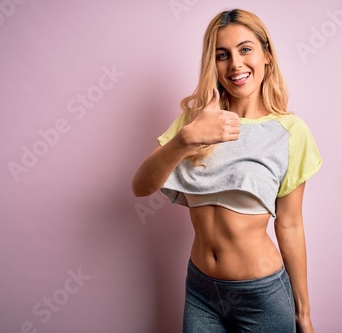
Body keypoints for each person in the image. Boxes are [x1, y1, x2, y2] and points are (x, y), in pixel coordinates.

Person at [132, 8, 322, 333]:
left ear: (267, 56)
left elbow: (290, 225)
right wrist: (187, 137)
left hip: (260, 294)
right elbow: (142, 186)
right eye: (222, 55)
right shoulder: (194, 122)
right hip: (200, 290)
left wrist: (303, 314)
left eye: (245, 49)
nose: (235, 64)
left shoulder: (290, 131)